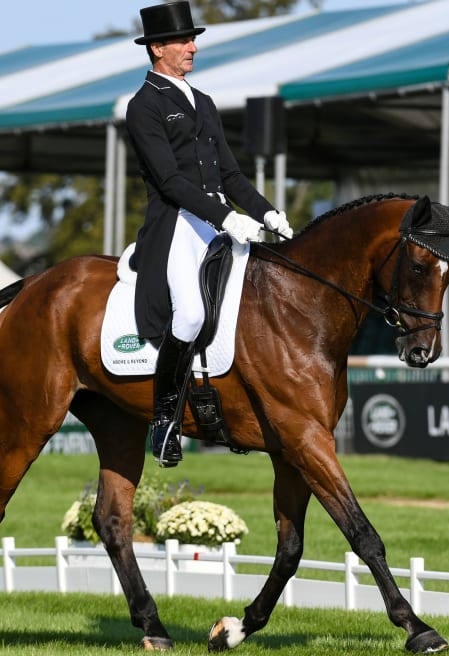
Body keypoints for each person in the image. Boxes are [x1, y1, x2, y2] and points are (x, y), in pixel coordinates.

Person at [125, 1, 292, 467]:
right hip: (176, 223)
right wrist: (224, 218)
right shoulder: (144, 106)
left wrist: (267, 211)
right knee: (193, 315)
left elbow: (231, 175)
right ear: (157, 48)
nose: (192, 47)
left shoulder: (204, 102)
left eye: (192, 39)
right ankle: (163, 422)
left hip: (215, 219)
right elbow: (169, 181)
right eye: (182, 41)